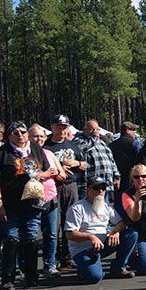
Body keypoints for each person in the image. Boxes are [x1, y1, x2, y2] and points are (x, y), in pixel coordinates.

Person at [0, 121, 62, 290]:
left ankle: (31, 276)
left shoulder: (36, 149)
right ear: (9, 136)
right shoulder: (2, 153)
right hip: (10, 203)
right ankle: (8, 279)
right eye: (15, 133)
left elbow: (49, 171)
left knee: (30, 238)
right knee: (11, 238)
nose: (20, 135)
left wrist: (37, 175)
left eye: (23, 131)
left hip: (33, 201)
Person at [64, 176, 140, 283]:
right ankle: (85, 269)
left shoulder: (106, 206)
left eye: (103, 188)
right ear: (88, 189)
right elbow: (70, 234)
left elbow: (121, 222)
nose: (100, 191)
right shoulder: (77, 208)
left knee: (131, 234)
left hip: (103, 244)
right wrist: (90, 237)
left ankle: (118, 268)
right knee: (95, 277)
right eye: (97, 188)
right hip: (84, 249)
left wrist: (115, 231)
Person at [46, 115, 86, 268]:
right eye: (58, 126)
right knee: (53, 225)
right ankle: (53, 258)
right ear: (52, 127)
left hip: (71, 185)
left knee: (70, 222)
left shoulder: (73, 145)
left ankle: (68, 256)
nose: (61, 130)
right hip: (53, 187)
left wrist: (77, 162)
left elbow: (84, 164)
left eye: (64, 127)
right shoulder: (46, 145)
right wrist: (59, 167)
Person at [28, 124, 66, 276]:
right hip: (33, 199)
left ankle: (49, 265)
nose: (39, 139)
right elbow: (29, 175)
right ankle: (28, 268)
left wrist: (56, 172)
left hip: (51, 197)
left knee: (51, 233)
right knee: (31, 236)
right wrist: (45, 173)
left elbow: (62, 175)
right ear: (29, 138)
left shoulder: (49, 153)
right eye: (36, 136)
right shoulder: (26, 154)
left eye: (42, 136)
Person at [79, 119, 121, 198]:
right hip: (90, 186)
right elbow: (82, 149)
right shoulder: (80, 140)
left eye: (97, 129)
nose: (95, 131)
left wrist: (116, 177)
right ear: (84, 130)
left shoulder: (102, 142)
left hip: (106, 185)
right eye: (91, 129)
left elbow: (111, 160)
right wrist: (94, 136)